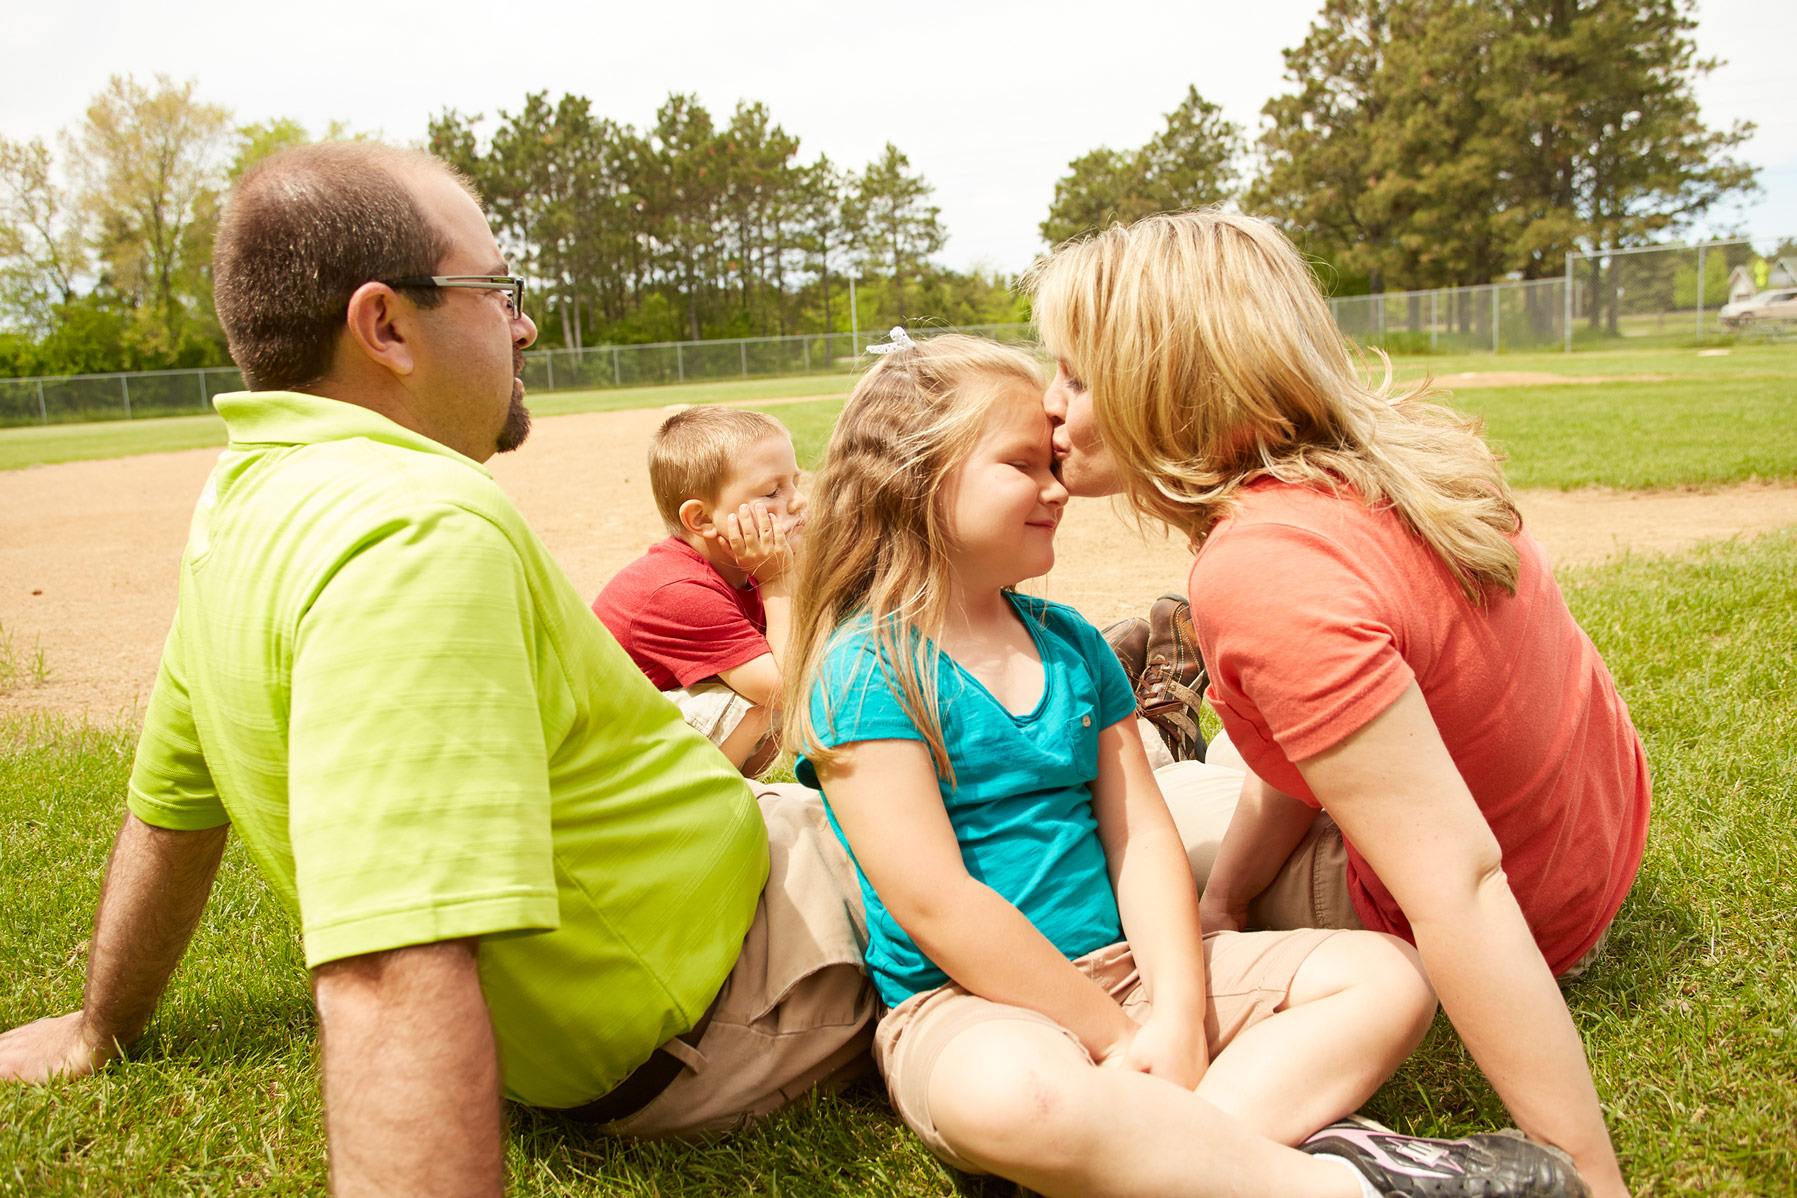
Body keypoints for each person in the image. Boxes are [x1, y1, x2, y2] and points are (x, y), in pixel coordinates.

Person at [0, 142, 873, 1196]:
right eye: (497, 290)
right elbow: (388, 978)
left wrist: (102, 1027)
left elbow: (175, 813)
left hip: (733, 867)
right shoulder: (415, 530)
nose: (526, 324)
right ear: (384, 325)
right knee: (1027, 793)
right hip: (741, 985)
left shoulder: (239, 509)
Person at [784, 330, 1587, 1198]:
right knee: (1012, 1098)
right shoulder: (867, 668)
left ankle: (1141, 1159)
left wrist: (1170, 1011)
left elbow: (1143, 843)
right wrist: (1115, 1035)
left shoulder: (1070, 645)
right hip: (966, 1006)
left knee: (1388, 976)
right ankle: (1340, 1185)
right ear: (917, 478)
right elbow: (936, 903)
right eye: (1024, 465)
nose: (1058, 488)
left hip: (1129, 968)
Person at [1028, 211, 1650, 1198]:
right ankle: (1178, 711)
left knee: (1141, 812)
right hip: (1591, 847)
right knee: (1240, 765)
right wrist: (1225, 905)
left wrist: (1587, 1173)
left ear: (1170, 391)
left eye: (1077, 375)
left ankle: (1160, 720)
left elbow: (1461, 884)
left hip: (1528, 907)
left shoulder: (1268, 565)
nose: (1048, 402)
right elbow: (1331, 759)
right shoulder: (1398, 461)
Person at [593, 407, 806, 774]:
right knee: (760, 700)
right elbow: (789, 688)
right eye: (772, 491)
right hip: (607, 763)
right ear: (703, 519)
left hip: (641, 738)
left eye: (794, 483)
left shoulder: (743, 564)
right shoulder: (679, 590)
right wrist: (776, 581)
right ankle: (715, 799)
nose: (797, 500)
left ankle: (730, 785)